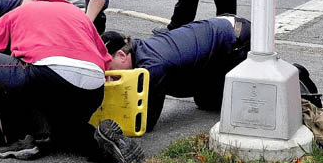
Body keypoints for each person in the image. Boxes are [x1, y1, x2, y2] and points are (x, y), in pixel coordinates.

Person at [0, 0, 144, 163]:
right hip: (92, 89)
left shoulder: (24, 9)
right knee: (64, 134)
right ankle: (105, 145)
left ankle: (10, 141)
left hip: (49, 75)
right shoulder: (79, 15)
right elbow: (104, 57)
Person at [102, 15, 251, 132]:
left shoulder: (153, 67)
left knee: (211, 102)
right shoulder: (136, 46)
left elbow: (145, 123)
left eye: (109, 69)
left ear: (122, 55)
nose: (109, 77)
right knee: (203, 101)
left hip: (238, 38)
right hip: (223, 25)